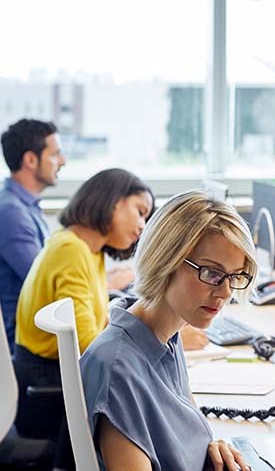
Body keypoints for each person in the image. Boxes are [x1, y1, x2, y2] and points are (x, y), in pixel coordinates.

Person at [81, 190, 253, 470]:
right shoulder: (118, 369)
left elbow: (184, 432)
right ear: (166, 260)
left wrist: (210, 448)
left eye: (235, 276)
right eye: (211, 273)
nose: (225, 292)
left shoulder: (166, 335)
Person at [11, 168, 154, 468]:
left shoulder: (88, 251)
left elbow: (97, 326)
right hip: (46, 392)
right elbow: (89, 347)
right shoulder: (71, 250)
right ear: (113, 200)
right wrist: (153, 342)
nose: (143, 225)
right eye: (140, 211)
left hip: (54, 381)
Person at [0, 118, 66, 351]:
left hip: (28, 328)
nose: (62, 161)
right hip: (24, 340)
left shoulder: (20, 205)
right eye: (55, 154)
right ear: (30, 159)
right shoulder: (11, 213)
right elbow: (45, 283)